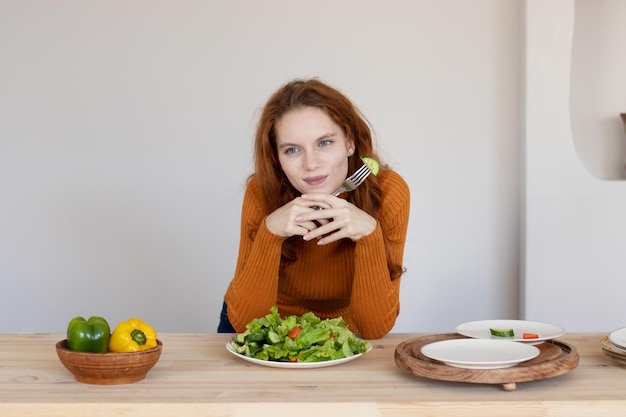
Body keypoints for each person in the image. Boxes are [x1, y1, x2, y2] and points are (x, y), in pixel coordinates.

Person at [218, 78, 410, 339]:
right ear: (277, 159)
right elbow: (245, 324)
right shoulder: (261, 192)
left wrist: (369, 237)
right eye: (293, 149)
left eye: (325, 143)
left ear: (349, 143)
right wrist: (270, 234)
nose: (311, 164)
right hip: (267, 329)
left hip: (340, 335)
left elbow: (374, 328)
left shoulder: (387, 191)